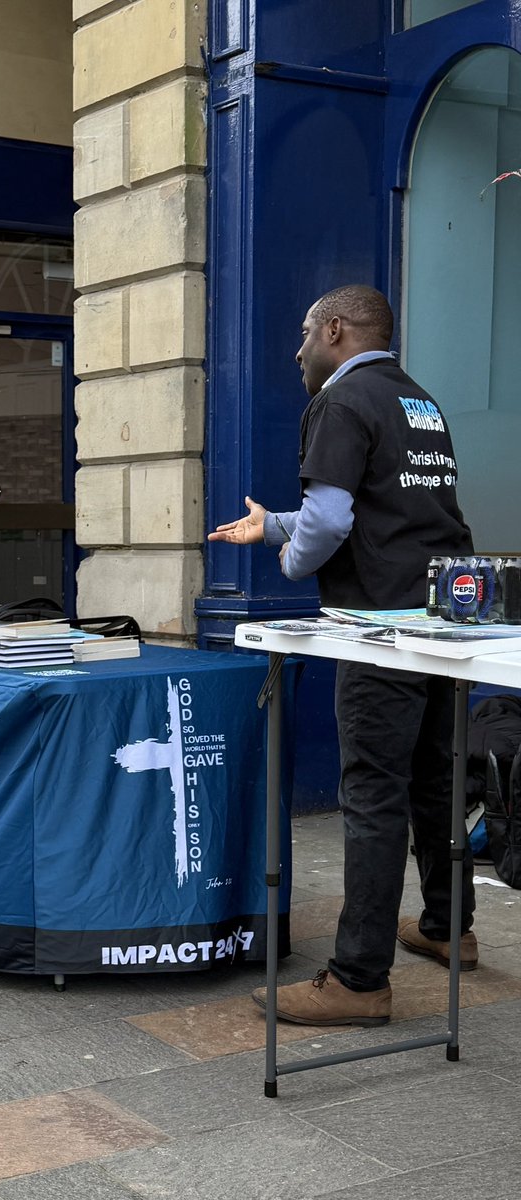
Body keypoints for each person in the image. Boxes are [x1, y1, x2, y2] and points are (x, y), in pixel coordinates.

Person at [209, 285, 476, 1025]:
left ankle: (359, 980)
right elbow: (376, 508)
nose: (297, 351)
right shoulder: (418, 402)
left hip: (380, 624)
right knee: (434, 778)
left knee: (372, 794)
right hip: (445, 616)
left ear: (335, 330)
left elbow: (328, 522)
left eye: (303, 334)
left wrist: (290, 557)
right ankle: (448, 927)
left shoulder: (338, 399)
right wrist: (267, 528)